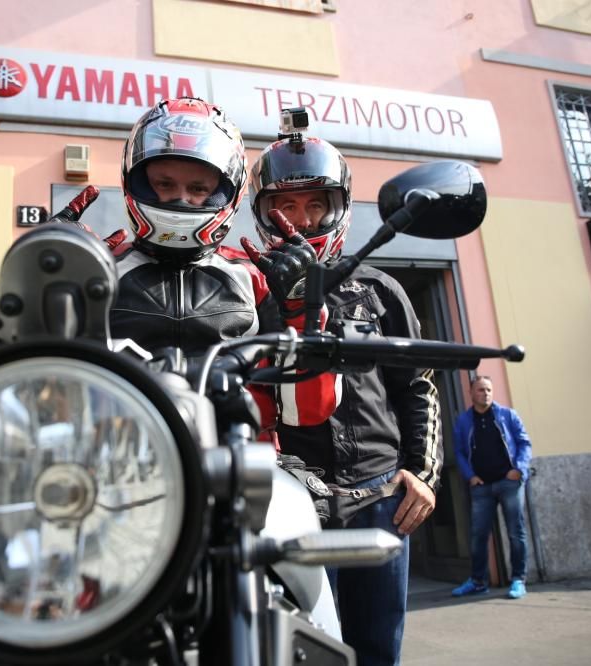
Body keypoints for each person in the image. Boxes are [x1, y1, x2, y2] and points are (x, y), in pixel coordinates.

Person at [248, 133, 443, 666]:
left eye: (315, 205)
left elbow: (417, 385)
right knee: (303, 649)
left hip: (381, 498)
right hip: (289, 502)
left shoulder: (381, 289)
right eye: (286, 205)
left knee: (378, 648)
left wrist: (423, 473)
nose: (301, 219)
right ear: (263, 212)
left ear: (338, 206)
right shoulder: (250, 292)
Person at [102, 96, 338, 433]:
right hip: (124, 450)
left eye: (199, 188)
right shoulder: (102, 270)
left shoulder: (257, 279)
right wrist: (45, 274)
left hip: (240, 454)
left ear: (228, 191)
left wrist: (303, 309)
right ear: (135, 180)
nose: (181, 198)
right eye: (164, 184)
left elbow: (305, 411)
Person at [451, 374, 532, 600]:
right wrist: (470, 476)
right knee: (478, 535)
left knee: (515, 532)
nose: (485, 393)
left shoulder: (508, 415)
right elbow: (459, 452)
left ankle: (518, 580)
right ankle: (478, 582)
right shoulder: (464, 421)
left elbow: (524, 443)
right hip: (481, 487)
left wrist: (519, 469)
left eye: (488, 389)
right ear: (471, 393)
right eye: (480, 390)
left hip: (509, 483)